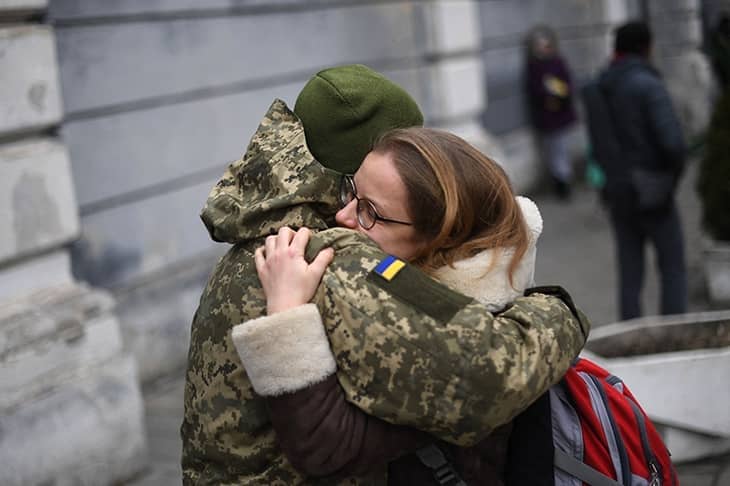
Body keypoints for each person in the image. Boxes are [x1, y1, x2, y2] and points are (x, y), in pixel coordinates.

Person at [181, 64, 590, 484]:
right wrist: (558, 308)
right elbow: (492, 374)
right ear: (354, 166)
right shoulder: (332, 256)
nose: (349, 215)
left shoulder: (263, 227)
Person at [234, 126, 558, 484]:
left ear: (442, 237)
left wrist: (285, 312)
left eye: (370, 212)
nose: (343, 216)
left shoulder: (451, 338)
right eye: (351, 192)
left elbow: (324, 446)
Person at [582, 21, 687, 320]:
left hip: (617, 190)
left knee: (630, 270)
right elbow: (674, 144)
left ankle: (631, 335)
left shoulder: (597, 87)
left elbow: (597, 144)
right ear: (646, 47)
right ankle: (674, 334)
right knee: (672, 267)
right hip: (654, 191)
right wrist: (670, 179)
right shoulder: (648, 85)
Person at [524, 25, 578, 200]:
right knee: (553, 150)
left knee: (560, 149)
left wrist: (558, 94)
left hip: (559, 115)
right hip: (546, 117)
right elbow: (534, 89)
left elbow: (567, 86)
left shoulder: (557, 63)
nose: (543, 49)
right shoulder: (534, 66)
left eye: (546, 45)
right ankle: (560, 181)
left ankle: (563, 181)